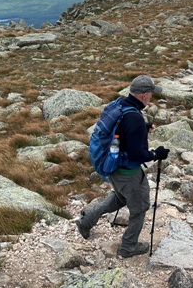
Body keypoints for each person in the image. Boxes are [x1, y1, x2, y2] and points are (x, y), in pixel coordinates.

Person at [76, 75, 170, 258]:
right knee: (139, 208)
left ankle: (86, 222)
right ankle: (128, 248)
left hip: (115, 169)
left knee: (119, 199)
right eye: (151, 93)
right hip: (130, 174)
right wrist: (156, 154)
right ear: (144, 95)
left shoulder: (121, 105)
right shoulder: (133, 117)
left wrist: (143, 128)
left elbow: (122, 130)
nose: (152, 96)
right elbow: (136, 154)